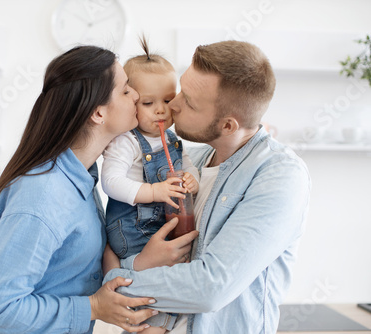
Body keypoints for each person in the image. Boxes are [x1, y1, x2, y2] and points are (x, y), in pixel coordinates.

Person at [104, 40, 311, 333]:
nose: (171, 106)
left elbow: (209, 288)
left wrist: (113, 279)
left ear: (228, 125)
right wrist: (136, 264)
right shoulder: (188, 160)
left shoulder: (279, 177)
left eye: (186, 100)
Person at [0, 45, 164, 334]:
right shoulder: (43, 195)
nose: (136, 95)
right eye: (125, 90)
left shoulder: (82, 178)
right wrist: (94, 307)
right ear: (98, 113)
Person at [101, 38, 200, 334]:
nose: (161, 111)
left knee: (168, 289)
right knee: (151, 298)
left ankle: (158, 321)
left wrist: (190, 177)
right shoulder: (126, 141)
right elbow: (111, 182)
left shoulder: (172, 140)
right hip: (132, 233)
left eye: (168, 101)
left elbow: (184, 164)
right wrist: (155, 192)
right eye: (148, 103)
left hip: (157, 230)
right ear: (132, 102)